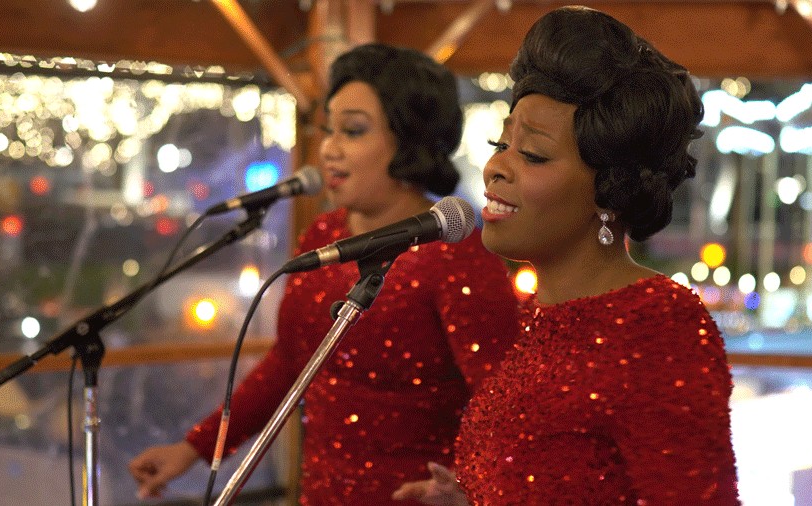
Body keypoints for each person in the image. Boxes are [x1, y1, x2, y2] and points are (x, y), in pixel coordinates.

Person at [129, 43, 520, 505]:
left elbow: (507, 410)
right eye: (327, 129)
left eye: (352, 131)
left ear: (410, 140)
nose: (329, 149)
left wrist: (470, 487)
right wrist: (196, 447)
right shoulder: (324, 234)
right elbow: (291, 362)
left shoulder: (457, 258)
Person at [393, 6, 739, 505]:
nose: (494, 167)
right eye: (500, 143)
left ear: (608, 187)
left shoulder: (659, 325)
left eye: (531, 154)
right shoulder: (540, 320)